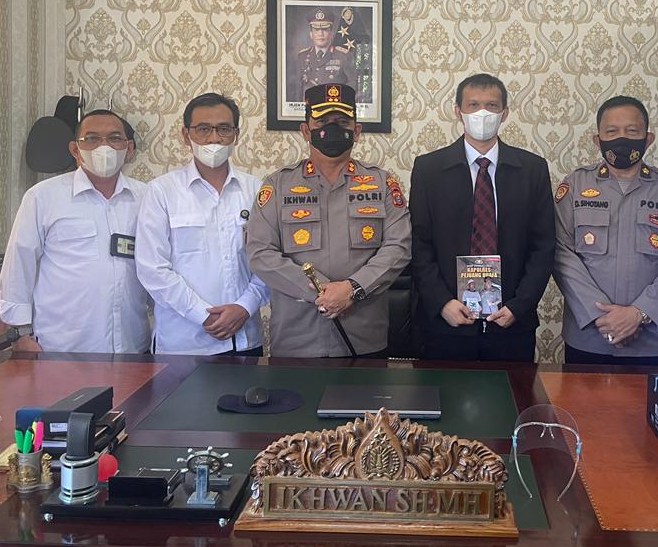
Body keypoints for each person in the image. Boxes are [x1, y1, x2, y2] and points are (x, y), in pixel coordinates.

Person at [246, 83, 411, 357]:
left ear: (356, 131)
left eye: (343, 122)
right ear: (305, 130)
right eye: (322, 122)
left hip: (363, 337)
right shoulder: (277, 185)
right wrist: (320, 291)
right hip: (298, 338)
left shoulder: (382, 183)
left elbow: (399, 247)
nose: (332, 129)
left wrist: (353, 289)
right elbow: (260, 253)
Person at [409, 73, 554, 362]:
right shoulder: (429, 169)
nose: (482, 113)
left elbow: (543, 246)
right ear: (458, 111)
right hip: (446, 324)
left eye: (491, 105)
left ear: (505, 113)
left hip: (512, 324)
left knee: (513, 391)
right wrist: (442, 303)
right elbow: (418, 243)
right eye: (473, 105)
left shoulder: (532, 169)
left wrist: (519, 306)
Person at [553, 96, 658, 366]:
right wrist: (601, 316)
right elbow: (561, 252)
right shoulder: (575, 185)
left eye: (632, 131)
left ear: (648, 138)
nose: (622, 138)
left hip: (651, 340)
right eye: (612, 131)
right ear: (597, 139)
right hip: (589, 336)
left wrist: (639, 313)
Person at [0, 109, 151, 353]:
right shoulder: (43, 197)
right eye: (92, 138)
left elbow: (158, 266)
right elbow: (19, 265)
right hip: (61, 347)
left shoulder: (147, 198)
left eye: (114, 138)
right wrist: (19, 333)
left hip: (131, 347)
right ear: (75, 149)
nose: (104, 147)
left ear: (129, 148)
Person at [135, 93, 268, 355]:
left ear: (236, 134)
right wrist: (202, 315)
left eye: (224, 129)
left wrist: (244, 307)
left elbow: (269, 260)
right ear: (186, 135)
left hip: (244, 338)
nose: (214, 138)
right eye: (203, 129)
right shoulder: (161, 191)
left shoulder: (257, 190)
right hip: (182, 343)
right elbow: (152, 269)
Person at [293, 9, 357, 100]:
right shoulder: (302, 56)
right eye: (316, 30)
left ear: (331, 33)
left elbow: (353, 83)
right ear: (311, 34)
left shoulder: (343, 56)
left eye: (325, 30)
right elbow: (298, 89)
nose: (320, 34)